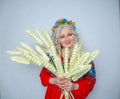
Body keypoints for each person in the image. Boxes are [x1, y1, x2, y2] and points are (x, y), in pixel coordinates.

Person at [40, 18, 96, 99]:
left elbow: (91, 81)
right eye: (62, 37)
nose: (67, 39)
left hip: (74, 96)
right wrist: (54, 81)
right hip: (53, 96)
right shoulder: (53, 56)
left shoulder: (85, 57)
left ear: (74, 36)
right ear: (57, 40)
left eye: (70, 35)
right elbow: (43, 76)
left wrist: (74, 86)